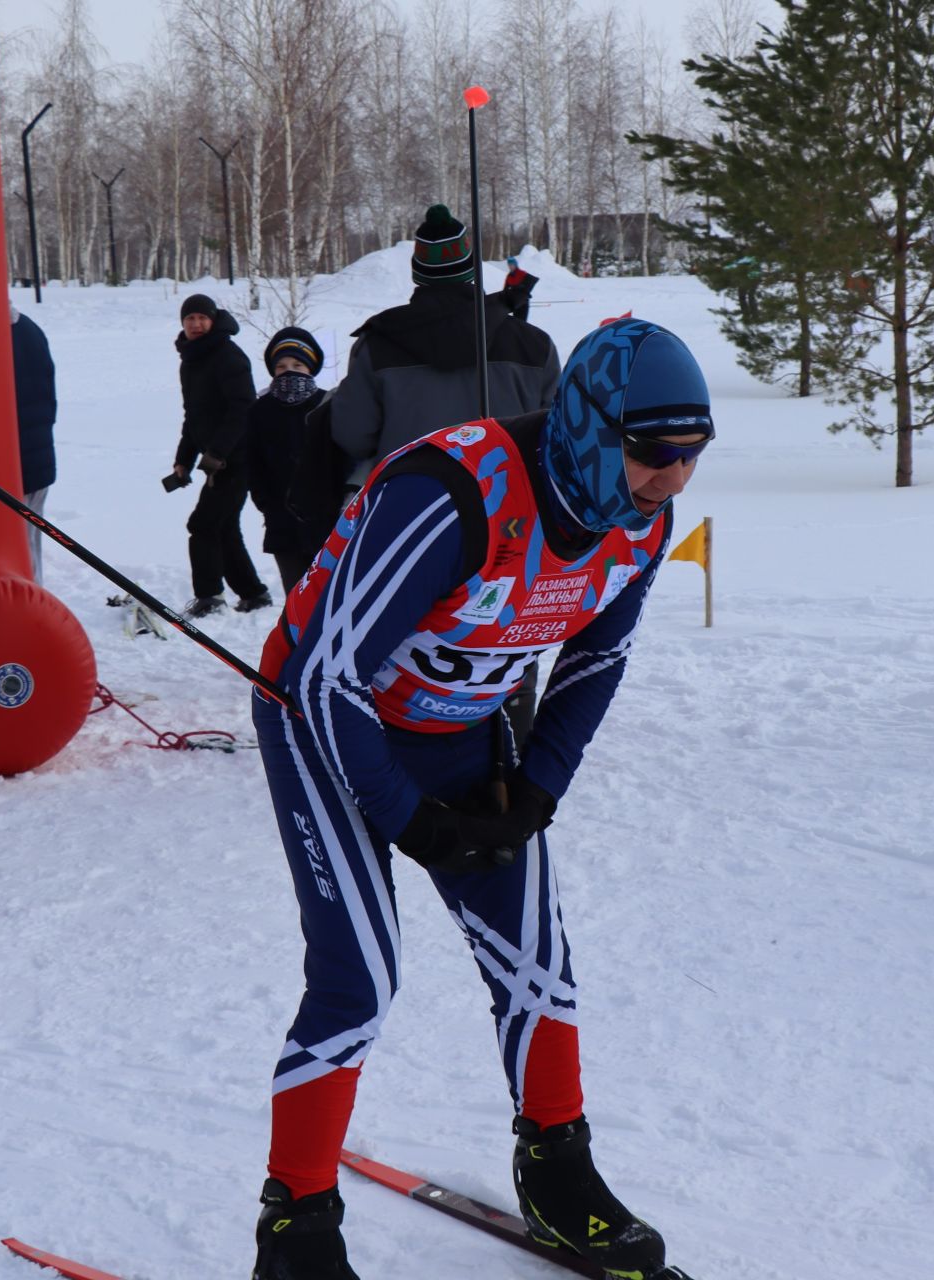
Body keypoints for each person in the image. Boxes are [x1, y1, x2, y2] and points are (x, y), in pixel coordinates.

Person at [246, 317, 710, 1280]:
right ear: (590, 425)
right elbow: (330, 681)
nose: (672, 480)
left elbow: (598, 657)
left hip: (461, 725)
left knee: (538, 961)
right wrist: (414, 825)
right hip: (325, 720)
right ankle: (295, 1228)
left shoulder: (643, 524)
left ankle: (558, 1175)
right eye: (653, 453)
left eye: (693, 456)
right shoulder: (453, 492)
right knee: (358, 977)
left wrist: (534, 795)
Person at [330, 204, 559, 490]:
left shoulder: (376, 345)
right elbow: (556, 439)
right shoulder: (535, 346)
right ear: (470, 267)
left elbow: (353, 435)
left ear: (418, 273)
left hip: (405, 513)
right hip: (509, 512)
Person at [171, 293, 268, 618]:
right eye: (190, 319)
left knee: (203, 525)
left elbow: (243, 408)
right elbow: (193, 416)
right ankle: (254, 594)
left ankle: (210, 597)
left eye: (202, 318)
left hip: (239, 458)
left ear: (213, 321)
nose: (196, 324)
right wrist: (184, 459)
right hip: (219, 460)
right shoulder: (192, 358)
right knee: (223, 526)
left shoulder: (227, 355)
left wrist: (217, 452)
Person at [243, 326, 331, 591]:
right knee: (295, 598)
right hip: (281, 522)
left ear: (311, 368)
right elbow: (253, 463)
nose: (289, 371)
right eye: (281, 366)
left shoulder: (328, 405)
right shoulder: (260, 410)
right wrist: (267, 504)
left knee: (328, 596)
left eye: (298, 364)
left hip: (326, 523)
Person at [11, 304, 58, 582]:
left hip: (17, 465)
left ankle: (30, 607)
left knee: (18, 548)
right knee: (30, 544)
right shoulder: (31, 330)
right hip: (38, 460)